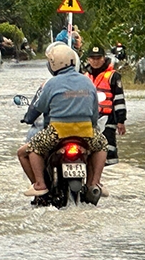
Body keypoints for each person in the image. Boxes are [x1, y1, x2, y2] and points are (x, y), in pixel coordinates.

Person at [19, 42, 107, 202]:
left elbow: (41, 107)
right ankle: (95, 183)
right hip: (86, 133)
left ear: (54, 64)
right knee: (102, 146)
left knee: (26, 151)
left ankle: (39, 185)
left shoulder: (51, 83)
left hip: (57, 134)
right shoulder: (88, 82)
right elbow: (95, 114)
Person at [84, 45, 127, 179]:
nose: (95, 61)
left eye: (98, 58)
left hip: (107, 119)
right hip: (85, 119)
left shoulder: (113, 76)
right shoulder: (83, 76)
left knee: (107, 151)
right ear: (88, 59)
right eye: (92, 58)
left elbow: (119, 99)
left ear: (104, 59)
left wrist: (121, 121)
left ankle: (96, 179)